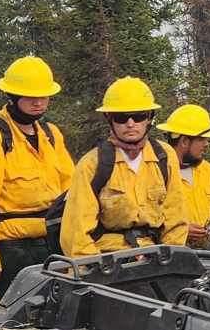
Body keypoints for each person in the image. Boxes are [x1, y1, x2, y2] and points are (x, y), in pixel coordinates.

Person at [0, 55, 75, 304]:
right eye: (30, 96)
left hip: (53, 247)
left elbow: (72, 196)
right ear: (11, 95)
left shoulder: (51, 135)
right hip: (11, 251)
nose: (38, 102)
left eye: (43, 95)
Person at [57, 77, 190, 258]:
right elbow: (76, 235)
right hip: (108, 257)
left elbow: (176, 218)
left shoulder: (164, 156)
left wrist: (168, 257)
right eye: (121, 117)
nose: (130, 123)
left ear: (149, 118)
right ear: (109, 119)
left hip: (155, 255)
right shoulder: (92, 164)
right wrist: (97, 267)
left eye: (138, 116)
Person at [159, 103, 210, 247]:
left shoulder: (208, 171)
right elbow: (146, 217)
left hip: (207, 253)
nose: (207, 144)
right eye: (201, 139)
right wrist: (181, 230)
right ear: (184, 141)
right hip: (171, 254)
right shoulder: (157, 172)